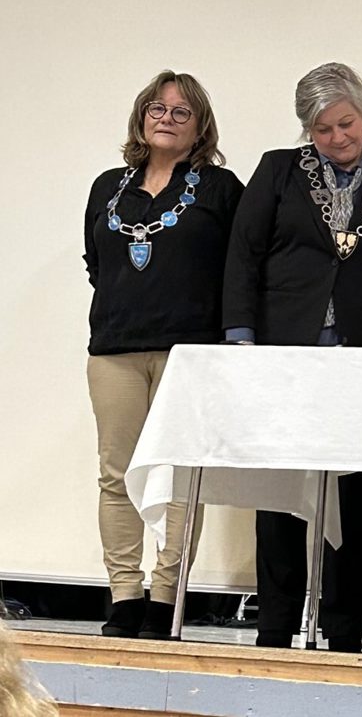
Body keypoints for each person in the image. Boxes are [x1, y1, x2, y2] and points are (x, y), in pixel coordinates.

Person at [222, 61, 362, 652]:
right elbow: (243, 256)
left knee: (352, 496)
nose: (338, 137)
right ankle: (275, 626)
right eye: (323, 129)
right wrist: (240, 337)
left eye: (347, 123)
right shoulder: (278, 170)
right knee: (279, 495)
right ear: (306, 130)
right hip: (283, 354)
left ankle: (345, 631)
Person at [84, 71, 243, 639]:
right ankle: (124, 597)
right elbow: (97, 263)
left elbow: (238, 268)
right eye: (157, 108)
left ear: (200, 126)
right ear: (140, 117)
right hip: (114, 351)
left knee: (178, 477)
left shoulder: (221, 188)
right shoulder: (108, 187)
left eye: (181, 111)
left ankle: (164, 598)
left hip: (189, 355)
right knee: (116, 476)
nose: (167, 118)